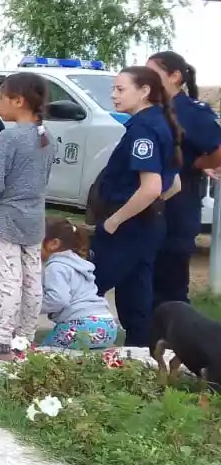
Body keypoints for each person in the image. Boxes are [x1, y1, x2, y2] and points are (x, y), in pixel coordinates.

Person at [0, 72, 54, 360]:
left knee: (8, 280)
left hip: (6, 217)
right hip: (33, 218)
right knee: (31, 280)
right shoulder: (44, 137)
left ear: (19, 101)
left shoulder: (8, 136)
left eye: (2, 98)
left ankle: (1, 337)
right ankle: (25, 337)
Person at [90, 66, 181, 349]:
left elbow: (152, 186)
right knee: (135, 295)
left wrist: (115, 220)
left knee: (87, 287)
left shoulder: (143, 129)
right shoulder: (161, 123)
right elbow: (174, 184)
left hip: (126, 225)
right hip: (147, 224)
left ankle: (69, 346)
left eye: (120, 89)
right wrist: (149, 209)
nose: (113, 95)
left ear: (144, 92)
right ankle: (139, 354)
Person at [146, 51, 221, 307]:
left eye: (153, 73)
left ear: (175, 76)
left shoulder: (191, 112)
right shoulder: (153, 109)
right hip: (150, 203)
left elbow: (217, 148)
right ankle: (146, 340)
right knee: (147, 281)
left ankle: (178, 339)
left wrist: (198, 164)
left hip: (179, 205)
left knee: (171, 284)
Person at [40, 217, 117, 349]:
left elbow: (59, 299)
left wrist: (33, 306)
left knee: (41, 356)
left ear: (53, 244)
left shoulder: (55, 266)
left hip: (80, 326)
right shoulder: (78, 262)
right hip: (107, 325)